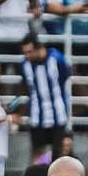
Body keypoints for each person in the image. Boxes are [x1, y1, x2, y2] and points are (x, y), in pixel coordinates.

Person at [20, 34, 71, 162]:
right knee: (37, 150)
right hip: (37, 115)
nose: (27, 56)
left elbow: (65, 76)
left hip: (58, 113)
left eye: (30, 52)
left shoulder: (57, 59)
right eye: (25, 53)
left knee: (58, 152)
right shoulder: (24, 65)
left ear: (39, 48)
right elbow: (26, 86)